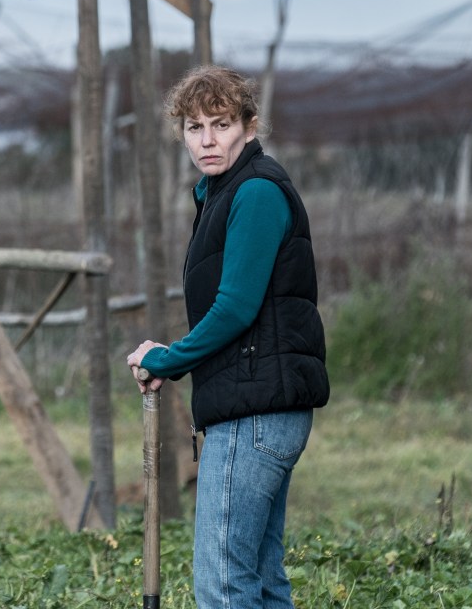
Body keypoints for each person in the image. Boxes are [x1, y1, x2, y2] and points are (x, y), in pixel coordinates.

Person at [126, 64, 329, 609]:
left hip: (254, 412)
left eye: (221, 124)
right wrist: (170, 356)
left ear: (249, 125)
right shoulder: (224, 192)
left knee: (222, 581)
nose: (207, 140)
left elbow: (236, 308)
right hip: (260, 404)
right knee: (259, 578)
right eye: (195, 127)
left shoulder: (256, 192)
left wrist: (169, 359)